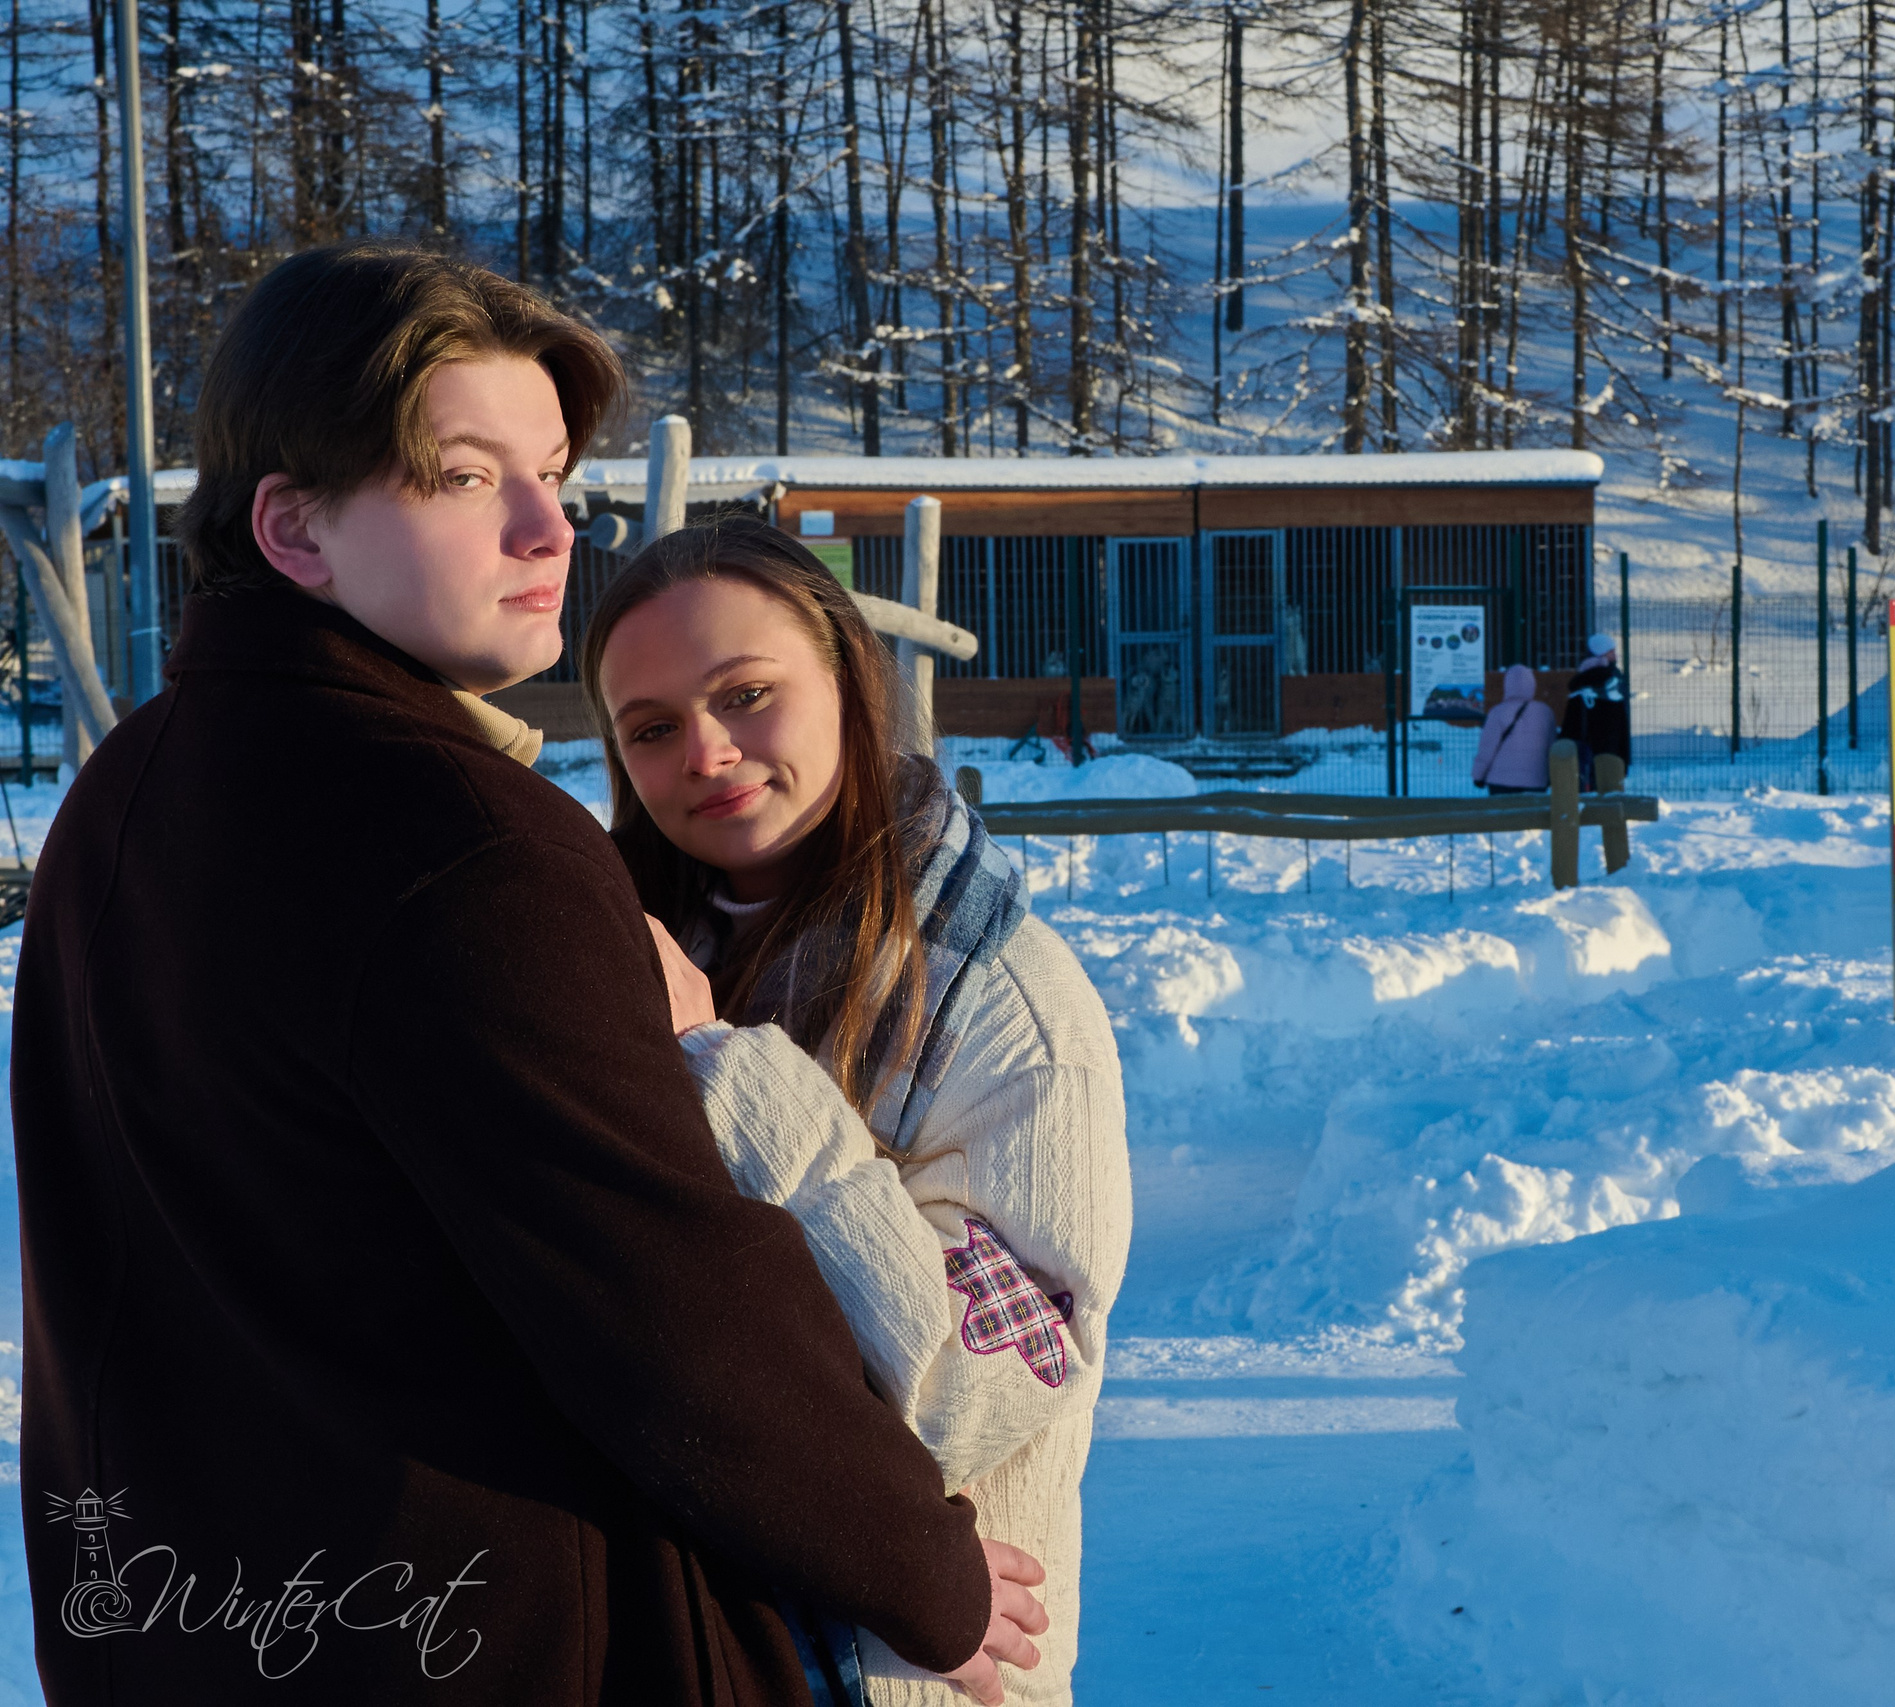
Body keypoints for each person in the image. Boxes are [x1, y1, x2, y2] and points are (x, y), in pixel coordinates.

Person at [13, 242, 1042, 1704]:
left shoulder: (123, 797)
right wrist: (921, 1568)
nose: (548, 528)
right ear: (294, 529)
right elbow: (669, 1305)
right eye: (463, 476)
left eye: (553, 474)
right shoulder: (464, 842)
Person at [583, 517, 1131, 1707]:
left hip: (897, 1678)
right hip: (672, 1648)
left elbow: (966, 1395)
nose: (707, 751)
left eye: (747, 695)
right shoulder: (614, 967)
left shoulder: (1006, 1006)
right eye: (653, 728)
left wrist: (727, 1069)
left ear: (847, 681)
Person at [1473, 662, 1560, 794]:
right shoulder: (1545, 712)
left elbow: (1487, 748)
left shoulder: (1497, 712)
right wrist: (1550, 776)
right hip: (1535, 780)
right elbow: (1551, 747)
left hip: (1500, 781)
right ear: (1532, 684)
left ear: (1507, 684)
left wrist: (1478, 776)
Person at [1562, 631, 1632, 790]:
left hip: (1584, 758)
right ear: (1601, 655)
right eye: (1611, 652)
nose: (1615, 656)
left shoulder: (1579, 687)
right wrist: (1625, 760)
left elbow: (1569, 730)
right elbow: (1622, 726)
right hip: (1612, 754)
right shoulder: (1615, 685)